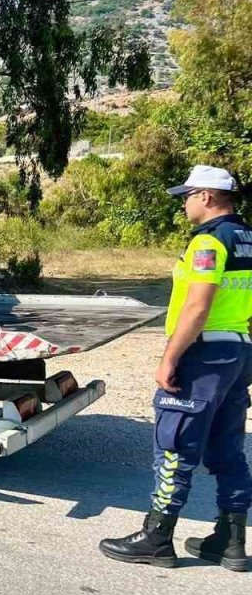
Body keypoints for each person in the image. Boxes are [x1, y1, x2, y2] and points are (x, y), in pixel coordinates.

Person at [99, 165, 252, 571]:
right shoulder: (248, 239)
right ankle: (230, 541)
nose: (183, 203)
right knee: (229, 450)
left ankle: (156, 537)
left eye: (187, 195)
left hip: (203, 357)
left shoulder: (210, 242)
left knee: (174, 446)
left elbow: (198, 305)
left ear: (206, 196)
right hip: (237, 354)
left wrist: (170, 357)